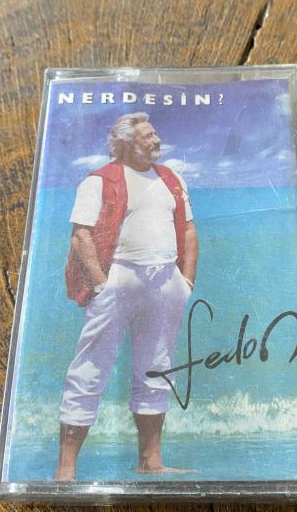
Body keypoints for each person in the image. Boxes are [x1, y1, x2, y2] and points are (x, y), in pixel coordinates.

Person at [54, 112, 198, 480]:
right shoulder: (98, 181)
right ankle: (66, 470)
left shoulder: (172, 179)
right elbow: (81, 236)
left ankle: (151, 462)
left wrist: (185, 282)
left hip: (166, 281)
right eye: (148, 136)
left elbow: (188, 229)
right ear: (125, 145)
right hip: (119, 278)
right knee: (89, 369)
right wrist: (102, 285)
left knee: (157, 368)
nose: (156, 141)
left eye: (155, 134)